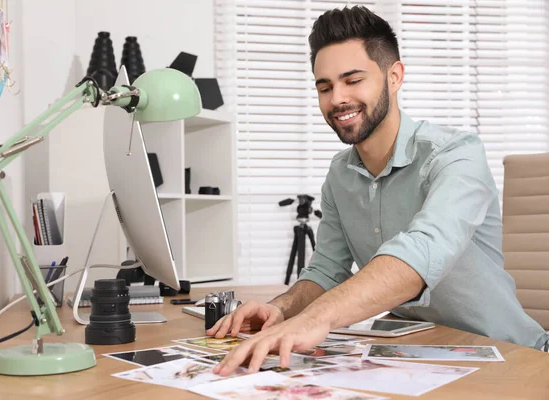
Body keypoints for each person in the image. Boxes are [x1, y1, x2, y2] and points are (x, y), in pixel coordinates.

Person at [209, 5, 549, 376]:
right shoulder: (340, 174)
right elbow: (326, 271)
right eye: (325, 86)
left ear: (394, 77)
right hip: (413, 355)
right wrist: (284, 308)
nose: (337, 98)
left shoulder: (457, 153)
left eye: (353, 80)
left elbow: (422, 252)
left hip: (510, 357)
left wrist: (316, 319)